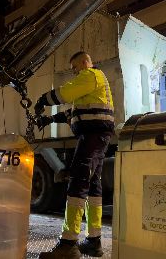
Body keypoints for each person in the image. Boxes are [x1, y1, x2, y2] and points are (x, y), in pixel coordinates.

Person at [35, 51, 114, 259]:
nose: (74, 72)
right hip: (98, 136)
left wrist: (44, 99)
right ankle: (94, 241)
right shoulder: (93, 84)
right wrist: (49, 120)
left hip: (92, 135)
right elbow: (73, 112)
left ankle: (68, 243)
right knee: (93, 187)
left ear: (84, 62)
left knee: (77, 183)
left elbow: (65, 94)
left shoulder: (90, 75)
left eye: (74, 67)